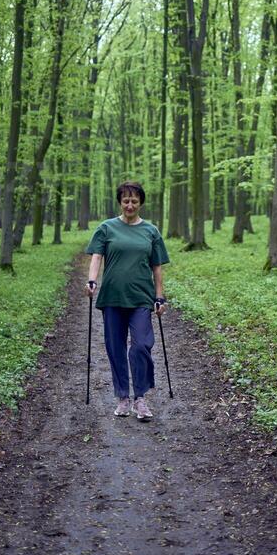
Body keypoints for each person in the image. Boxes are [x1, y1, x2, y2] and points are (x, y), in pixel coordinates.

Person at [85, 181, 169, 422]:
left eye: (134, 201)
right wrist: (92, 281)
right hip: (112, 296)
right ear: (120, 202)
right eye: (126, 201)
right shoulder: (106, 228)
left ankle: (140, 398)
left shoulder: (151, 231)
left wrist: (159, 295)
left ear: (141, 203)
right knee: (115, 347)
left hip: (141, 297)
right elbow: (96, 256)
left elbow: (157, 266)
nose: (130, 205)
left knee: (142, 345)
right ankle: (123, 396)